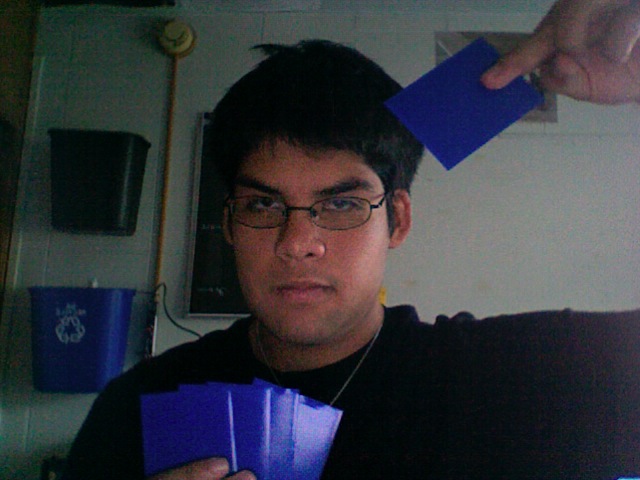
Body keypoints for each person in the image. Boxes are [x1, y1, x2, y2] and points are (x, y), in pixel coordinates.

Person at [62, 1, 640, 479]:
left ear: (398, 221)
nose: (297, 243)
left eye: (341, 204)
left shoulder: (514, 384)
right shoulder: (135, 410)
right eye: (263, 205)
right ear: (231, 224)